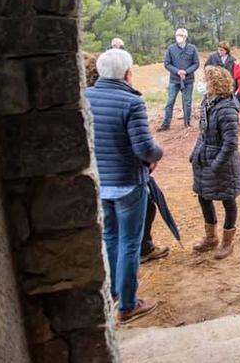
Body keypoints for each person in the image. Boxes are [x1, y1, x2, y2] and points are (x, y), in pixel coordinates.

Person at [85, 49, 163, 324]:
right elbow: (144, 147)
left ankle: (115, 293)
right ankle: (128, 305)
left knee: (110, 238)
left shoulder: (86, 97)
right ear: (128, 73)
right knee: (130, 243)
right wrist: (157, 154)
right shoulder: (131, 102)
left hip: (100, 184)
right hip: (128, 183)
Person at [190, 67, 240, 260]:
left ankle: (227, 242)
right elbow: (203, 132)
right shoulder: (208, 102)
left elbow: (230, 143)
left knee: (228, 200)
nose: (202, 83)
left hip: (223, 164)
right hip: (204, 158)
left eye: (205, 80)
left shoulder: (227, 108)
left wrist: (216, 164)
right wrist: (194, 153)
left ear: (215, 83)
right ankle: (210, 237)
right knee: (203, 197)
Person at [159, 28, 199, 131]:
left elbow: (196, 63)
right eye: (177, 35)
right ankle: (166, 124)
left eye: (181, 35)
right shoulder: (171, 48)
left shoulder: (192, 48)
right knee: (170, 102)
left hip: (188, 80)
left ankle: (187, 123)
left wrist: (186, 71)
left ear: (185, 37)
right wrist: (177, 71)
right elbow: (167, 63)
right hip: (174, 80)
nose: (178, 37)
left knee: (187, 102)